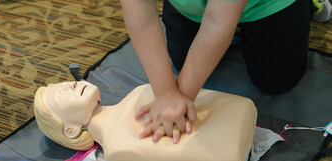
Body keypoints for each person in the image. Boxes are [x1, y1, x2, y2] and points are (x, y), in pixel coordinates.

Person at [120, 0, 317, 144]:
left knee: (276, 81)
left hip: (267, 5)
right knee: (182, 62)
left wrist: (180, 103)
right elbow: (139, 10)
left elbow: (217, 21)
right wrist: (165, 94)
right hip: (194, 7)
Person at [34, 80, 257, 161]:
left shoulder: (140, 91)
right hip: (230, 156)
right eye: (60, 94)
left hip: (238, 120)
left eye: (65, 83)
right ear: (70, 131)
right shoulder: (118, 153)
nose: (69, 84)